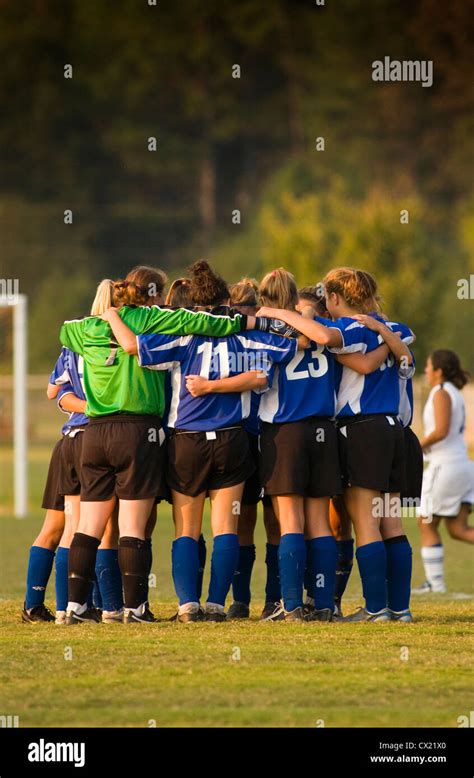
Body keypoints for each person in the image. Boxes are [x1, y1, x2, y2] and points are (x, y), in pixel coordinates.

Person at [61, 264, 287, 624]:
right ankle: (211, 604)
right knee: (224, 527)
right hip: (227, 436)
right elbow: (272, 360)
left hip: (170, 439)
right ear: (225, 300)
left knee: (170, 528)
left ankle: (175, 605)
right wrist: (265, 321)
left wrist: (111, 317)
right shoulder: (218, 332)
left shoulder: (164, 332)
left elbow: (120, 344)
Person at [258, 267, 416, 622]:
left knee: (365, 524)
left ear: (334, 297)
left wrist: (282, 313)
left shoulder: (344, 329)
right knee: (392, 522)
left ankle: (376, 608)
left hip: (362, 430)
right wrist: (382, 333)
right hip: (396, 431)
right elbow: (395, 359)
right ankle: (400, 608)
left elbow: (329, 343)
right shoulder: (396, 330)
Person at [414, 349, 474, 594]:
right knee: (458, 529)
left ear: (438, 371)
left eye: (428, 367)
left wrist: (414, 448)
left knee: (425, 522)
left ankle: (435, 585)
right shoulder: (454, 392)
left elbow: (441, 431)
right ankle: (435, 583)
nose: (426, 371)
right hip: (462, 465)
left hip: (445, 466)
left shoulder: (441, 393)